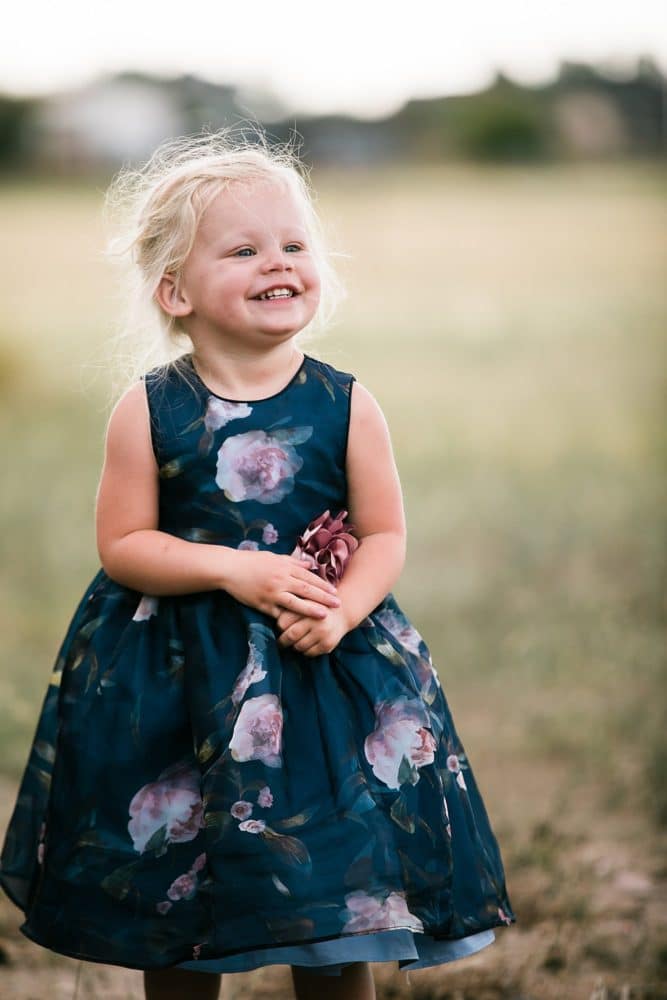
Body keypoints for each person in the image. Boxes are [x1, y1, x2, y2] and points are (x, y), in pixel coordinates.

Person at [0, 129, 514, 1000]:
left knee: (338, 898)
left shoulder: (344, 403)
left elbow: (384, 533)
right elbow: (125, 545)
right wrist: (231, 570)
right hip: (180, 685)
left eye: (293, 244)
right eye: (242, 250)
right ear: (176, 290)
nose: (277, 262)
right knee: (184, 901)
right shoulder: (150, 410)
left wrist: (345, 609)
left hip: (323, 681)